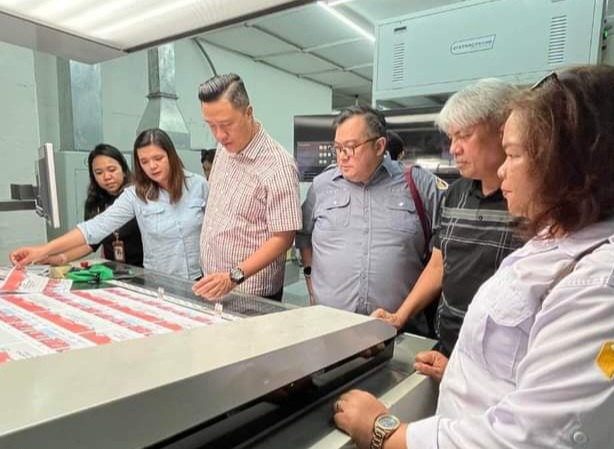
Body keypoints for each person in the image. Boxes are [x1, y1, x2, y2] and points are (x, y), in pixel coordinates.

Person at [333, 65, 614, 449]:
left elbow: (538, 438)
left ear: (566, 163)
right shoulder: (567, 233)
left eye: (513, 154)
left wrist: (385, 432)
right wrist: (468, 373)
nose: (502, 169)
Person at [372, 79, 522, 374]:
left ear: (504, 130)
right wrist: (399, 317)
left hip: (501, 360)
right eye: (452, 137)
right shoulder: (454, 195)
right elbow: (438, 264)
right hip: (449, 343)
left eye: (464, 136)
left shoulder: (529, 201)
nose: (454, 149)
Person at [296, 105, 444, 333]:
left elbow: (448, 248)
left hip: (401, 332)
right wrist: (310, 282)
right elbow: (304, 236)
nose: (342, 156)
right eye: (337, 148)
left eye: (350, 147)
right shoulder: (322, 186)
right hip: (329, 328)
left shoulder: (419, 185)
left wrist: (401, 315)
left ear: (379, 146)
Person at [10, 129, 208, 280]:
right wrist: (43, 250)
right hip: (160, 282)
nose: (152, 166)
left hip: (200, 279)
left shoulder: (198, 185)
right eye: (144, 161)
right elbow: (95, 228)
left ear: (171, 155)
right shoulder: (135, 195)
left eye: (158, 158)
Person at [193, 73, 302, 301]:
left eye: (226, 125)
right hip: (213, 281)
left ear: (248, 113)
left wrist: (233, 277)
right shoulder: (223, 149)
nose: (220, 135)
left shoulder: (279, 166)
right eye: (211, 126)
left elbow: (283, 237)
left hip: (249, 292)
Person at [40, 144, 144, 267]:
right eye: (99, 172)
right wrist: (62, 258)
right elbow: (91, 241)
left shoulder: (136, 197)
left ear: (124, 170)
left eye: (112, 170)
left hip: (143, 268)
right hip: (115, 269)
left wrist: (44, 250)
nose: (107, 177)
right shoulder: (95, 202)